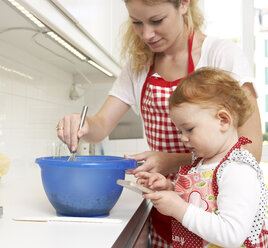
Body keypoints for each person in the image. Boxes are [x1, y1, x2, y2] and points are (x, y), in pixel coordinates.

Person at [56, 0, 262, 246]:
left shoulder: (220, 54)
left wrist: (170, 160)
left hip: (213, 216)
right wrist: (83, 124)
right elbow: (100, 125)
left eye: (157, 20)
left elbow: (251, 150)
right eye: (137, 23)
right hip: (166, 205)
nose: (147, 34)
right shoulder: (139, 65)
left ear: (184, 4)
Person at [137, 67, 268, 247]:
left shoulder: (237, 169)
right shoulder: (204, 163)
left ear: (223, 120)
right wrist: (171, 189)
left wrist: (178, 208)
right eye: (180, 131)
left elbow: (232, 235)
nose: (183, 138)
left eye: (189, 129)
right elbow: (204, 201)